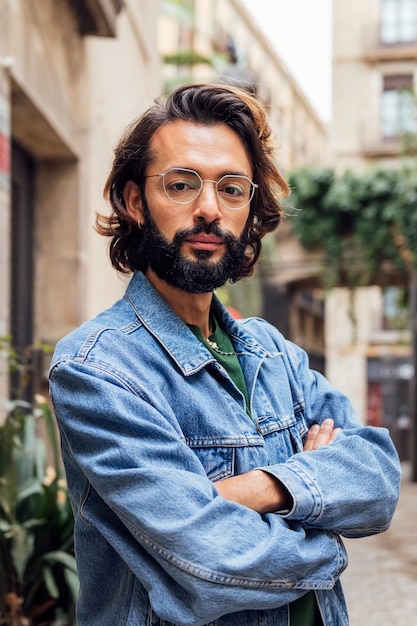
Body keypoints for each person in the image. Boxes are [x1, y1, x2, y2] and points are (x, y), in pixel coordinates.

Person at [49, 82, 401, 626]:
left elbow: (377, 479)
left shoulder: (275, 352)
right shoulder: (98, 370)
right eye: (182, 185)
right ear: (136, 201)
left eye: (232, 189)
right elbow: (210, 557)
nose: (209, 209)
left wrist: (263, 487)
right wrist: (326, 529)